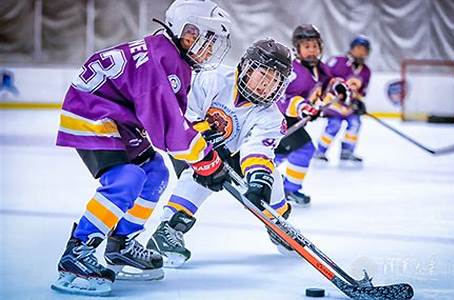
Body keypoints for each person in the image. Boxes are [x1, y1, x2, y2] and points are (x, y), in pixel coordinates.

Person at [51, 0, 231, 296]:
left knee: (156, 172)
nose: (209, 50)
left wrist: (197, 145)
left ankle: (121, 243)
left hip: (114, 115)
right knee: (127, 179)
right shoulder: (164, 62)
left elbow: (168, 117)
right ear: (187, 32)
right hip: (93, 113)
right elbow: (167, 133)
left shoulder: (171, 56)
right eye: (206, 40)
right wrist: (206, 160)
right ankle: (77, 252)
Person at [146, 38, 294, 267]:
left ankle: (277, 222)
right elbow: (184, 110)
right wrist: (205, 137)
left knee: (269, 176)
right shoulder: (213, 79)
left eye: (275, 81)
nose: (267, 84)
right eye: (264, 75)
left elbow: (257, 150)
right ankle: (168, 227)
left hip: (230, 154)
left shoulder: (271, 116)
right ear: (247, 66)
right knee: (201, 171)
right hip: (188, 145)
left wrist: (257, 180)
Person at [274, 24, 331, 207]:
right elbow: (279, 97)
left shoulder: (319, 68)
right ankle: (289, 188)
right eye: (307, 47)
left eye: (315, 46)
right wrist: (302, 108)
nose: (312, 50)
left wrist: (339, 87)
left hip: (292, 122)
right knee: (304, 149)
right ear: (297, 48)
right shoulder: (292, 70)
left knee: (278, 154)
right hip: (278, 121)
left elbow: (330, 82)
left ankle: (255, 176)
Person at [314, 35, 371, 165]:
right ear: (351, 49)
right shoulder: (337, 61)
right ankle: (320, 151)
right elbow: (323, 78)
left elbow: (362, 92)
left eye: (364, 50)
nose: (361, 52)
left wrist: (358, 101)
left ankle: (347, 152)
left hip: (350, 106)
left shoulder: (366, 71)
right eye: (358, 48)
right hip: (334, 102)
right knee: (334, 124)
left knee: (355, 123)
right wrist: (329, 93)